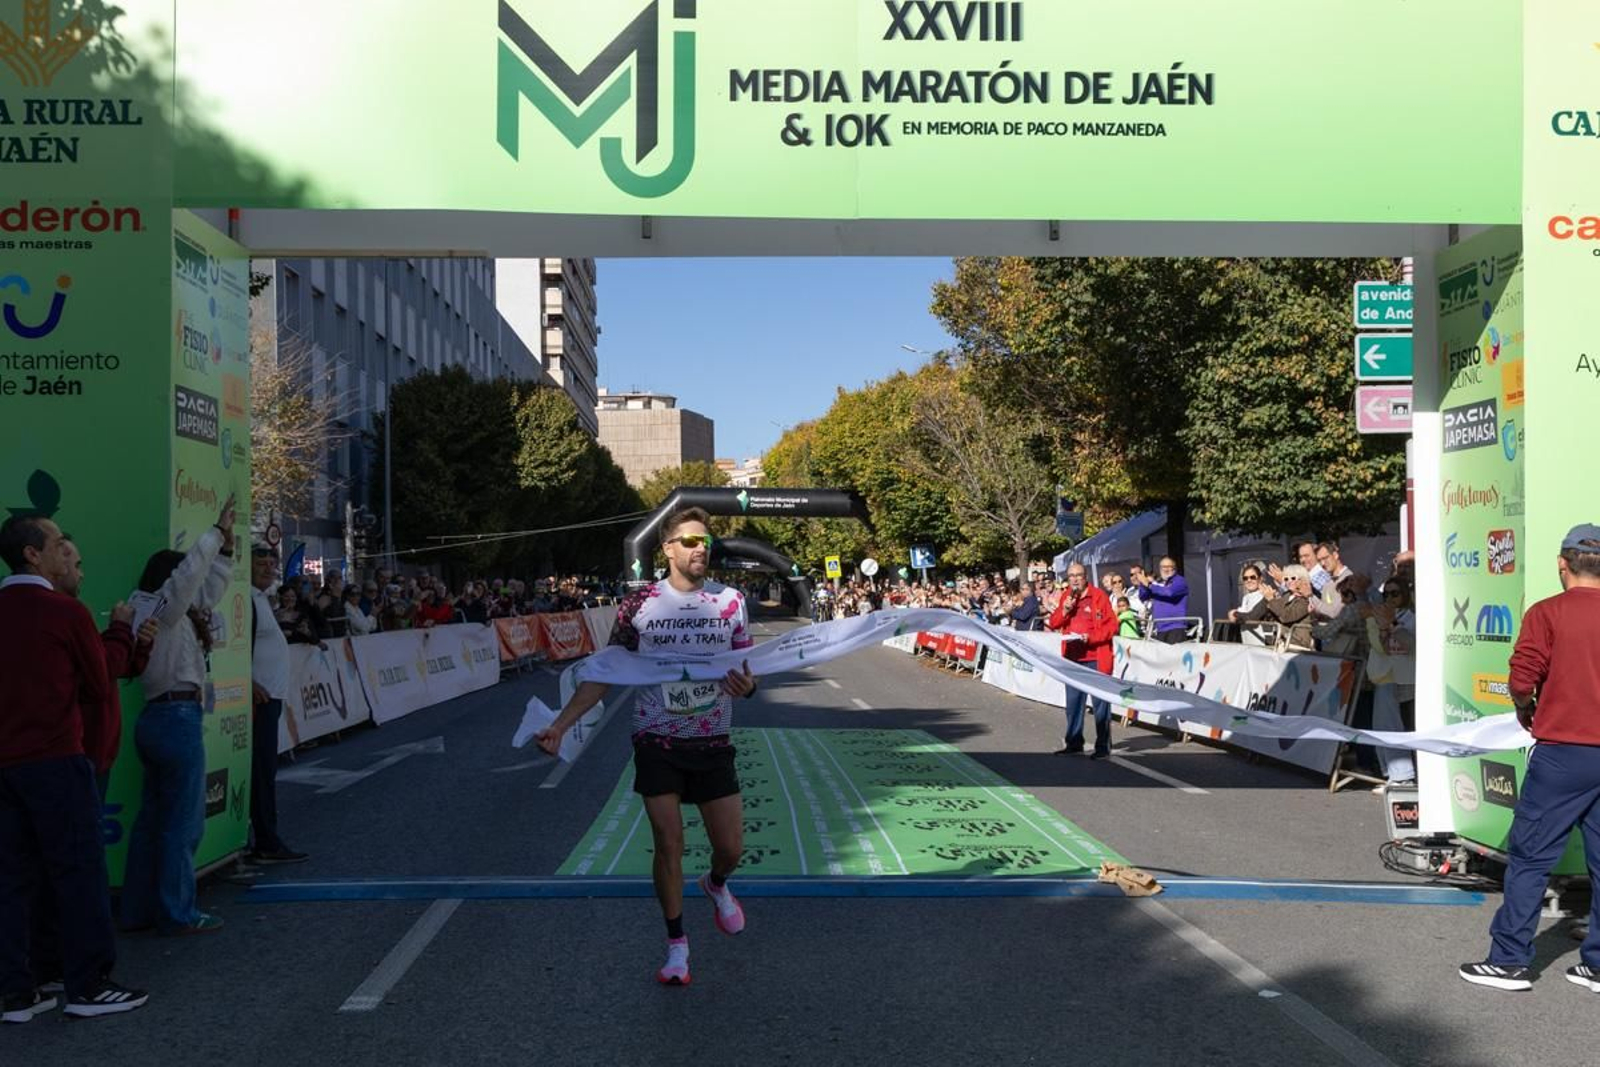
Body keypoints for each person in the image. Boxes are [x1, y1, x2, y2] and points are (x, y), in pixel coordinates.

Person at [536, 507, 758, 987]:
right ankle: (677, 946)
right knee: (669, 843)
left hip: (713, 739)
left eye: (706, 541)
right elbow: (606, 674)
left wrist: (748, 688)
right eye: (691, 541)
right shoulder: (637, 606)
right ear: (668, 549)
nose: (702, 548)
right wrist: (560, 724)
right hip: (656, 737)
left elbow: (747, 669)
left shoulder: (732, 601)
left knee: (731, 848)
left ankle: (716, 884)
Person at [0, 515, 150, 1021]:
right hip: (56, 758)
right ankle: (88, 984)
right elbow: (99, 678)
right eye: (59, 542)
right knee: (79, 870)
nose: (68, 550)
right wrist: (122, 632)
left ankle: (17, 989)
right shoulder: (64, 612)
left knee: (14, 876)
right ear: (32, 555)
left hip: (6, 764)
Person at [1460, 525, 1600, 994]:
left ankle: (1509, 961)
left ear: (1563, 564)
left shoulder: (1548, 612)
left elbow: (1523, 677)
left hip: (1563, 751)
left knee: (1530, 858)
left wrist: (1526, 708)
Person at [120, 497, 237, 937]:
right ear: (167, 578)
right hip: (176, 719)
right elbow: (189, 580)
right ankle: (177, 912)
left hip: (157, 718)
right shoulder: (161, 607)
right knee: (181, 824)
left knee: (152, 821)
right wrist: (214, 534)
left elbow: (205, 588)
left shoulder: (150, 611)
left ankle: (137, 910)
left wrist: (224, 551)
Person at [249, 546, 308, 865]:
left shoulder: (261, 598)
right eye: (261, 563)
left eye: (273, 563)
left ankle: (264, 837)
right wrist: (247, 681)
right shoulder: (247, 599)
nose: (269, 568)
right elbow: (237, 646)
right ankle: (266, 840)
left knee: (264, 770)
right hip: (259, 698)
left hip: (269, 697)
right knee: (261, 772)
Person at [1048, 563, 1117, 758]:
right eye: (1071, 576)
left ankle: (1103, 746)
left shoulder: (1098, 596)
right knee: (1073, 704)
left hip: (1095, 657)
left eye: (1078, 575)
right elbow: (1054, 623)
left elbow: (1112, 626)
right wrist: (1065, 610)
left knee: (1100, 705)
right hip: (1073, 658)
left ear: (1085, 576)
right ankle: (1074, 742)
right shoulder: (1067, 597)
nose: (1075, 579)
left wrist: (1091, 637)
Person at [1236, 564, 1316, 651]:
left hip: (1297, 644)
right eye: (1286, 579)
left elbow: (1286, 616)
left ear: (1302, 578)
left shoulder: (1304, 601)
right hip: (1282, 642)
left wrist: (1271, 599)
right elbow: (1275, 612)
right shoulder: (1286, 595)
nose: (1289, 581)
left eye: (1293, 578)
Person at [1132, 557, 1192, 644]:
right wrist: (1142, 582)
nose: (1166, 569)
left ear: (1174, 568)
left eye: (1169, 566)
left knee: (1173, 657)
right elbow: (1143, 596)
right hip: (1160, 628)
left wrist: (1149, 584)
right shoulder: (1158, 583)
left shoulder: (1179, 581)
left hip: (1175, 628)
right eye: (1163, 567)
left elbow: (1169, 592)